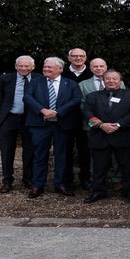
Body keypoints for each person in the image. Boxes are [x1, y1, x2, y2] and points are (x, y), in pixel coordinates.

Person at [23, 56, 81, 198]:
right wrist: (43, 110)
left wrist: (57, 112)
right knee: (39, 155)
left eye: (49, 67)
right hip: (40, 124)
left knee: (62, 155)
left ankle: (60, 184)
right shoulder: (35, 82)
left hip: (62, 124)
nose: (46, 69)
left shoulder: (71, 83)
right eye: (45, 66)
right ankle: (38, 185)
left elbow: (76, 99)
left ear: (60, 69)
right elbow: (27, 97)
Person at [81, 70, 130, 204]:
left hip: (124, 136)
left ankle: (129, 191)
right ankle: (98, 191)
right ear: (103, 81)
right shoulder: (92, 96)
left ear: (120, 81)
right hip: (100, 136)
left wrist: (118, 125)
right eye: (108, 78)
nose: (111, 81)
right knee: (99, 167)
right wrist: (101, 125)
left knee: (127, 167)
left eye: (114, 78)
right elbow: (87, 114)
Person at [0, 55, 36, 192]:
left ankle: (28, 179)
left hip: (30, 119)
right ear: (16, 66)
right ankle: (7, 181)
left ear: (33, 67)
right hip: (10, 118)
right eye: (21, 65)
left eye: (27, 66)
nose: (23, 68)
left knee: (30, 150)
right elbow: (1, 97)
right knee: (7, 150)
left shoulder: (39, 79)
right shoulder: (5, 79)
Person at [61, 49, 93, 190]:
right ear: (69, 58)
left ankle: (85, 178)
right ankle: (67, 179)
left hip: (87, 119)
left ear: (86, 58)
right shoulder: (62, 73)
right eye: (74, 56)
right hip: (66, 117)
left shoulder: (92, 73)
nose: (78, 58)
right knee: (65, 150)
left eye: (81, 56)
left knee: (85, 150)